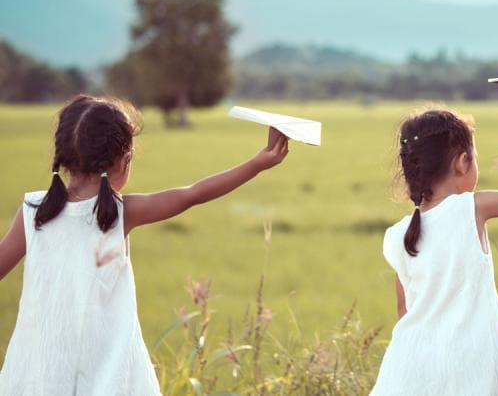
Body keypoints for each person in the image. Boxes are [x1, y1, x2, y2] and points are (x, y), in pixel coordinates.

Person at [0, 95, 289, 395]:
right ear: (123, 160)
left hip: (36, 379)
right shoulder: (121, 214)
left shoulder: (32, 212)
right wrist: (258, 163)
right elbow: (192, 194)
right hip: (108, 383)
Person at [371, 97, 498, 395]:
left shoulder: (399, 235)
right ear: (462, 163)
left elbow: (404, 309)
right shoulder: (470, 208)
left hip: (409, 369)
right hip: (469, 368)